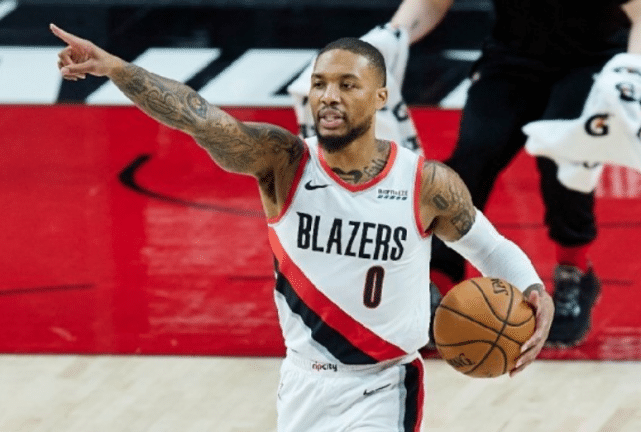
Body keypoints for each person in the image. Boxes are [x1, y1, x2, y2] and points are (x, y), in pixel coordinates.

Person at [50, 23, 554, 431]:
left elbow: (490, 248)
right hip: (301, 383)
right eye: (319, 84)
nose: (329, 96)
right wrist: (116, 68)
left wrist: (532, 288)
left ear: (380, 96)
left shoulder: (425, 183)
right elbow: (198, 117)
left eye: (347, 84)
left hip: (384, 385)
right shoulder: (283, 161)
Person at [390, 0, 641, 347]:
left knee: (563, 161)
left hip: (591, 61)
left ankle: (574, 270)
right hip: (511, 58)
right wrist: (391, 37)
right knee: (473, 155)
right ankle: (440, 276)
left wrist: (631, 70)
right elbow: (432, 2)